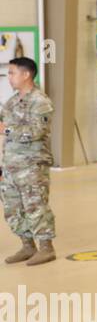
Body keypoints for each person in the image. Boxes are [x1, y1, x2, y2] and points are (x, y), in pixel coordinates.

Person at [2, 57, 57, 266]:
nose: (9, 77)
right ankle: (27, 245)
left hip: (32, 164)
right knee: (13, 207)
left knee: (35, 205)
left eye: (12, 73)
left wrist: (7, 129)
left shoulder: (40, 102)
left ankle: (46, 248)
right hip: (11, 164)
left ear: (26, 75)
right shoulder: (12, 102)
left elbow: (37, 131)